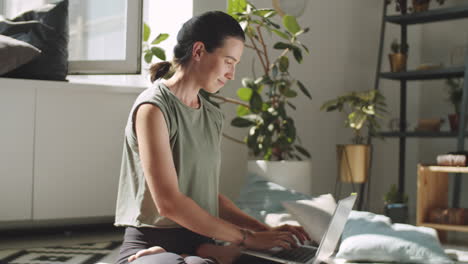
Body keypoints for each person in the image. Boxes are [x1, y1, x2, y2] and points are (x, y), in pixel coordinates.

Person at [114, 11, 310, 264]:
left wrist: (264, 230)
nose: (232, 74)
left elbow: (207, 197)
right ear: (198, 51)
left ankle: (192, 257)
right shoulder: (153, 109)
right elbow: (169, 204)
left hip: (203, 245)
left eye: (235, 64)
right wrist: (246, 238)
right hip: (153, 242)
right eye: (229, 61)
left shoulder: (211, 115)